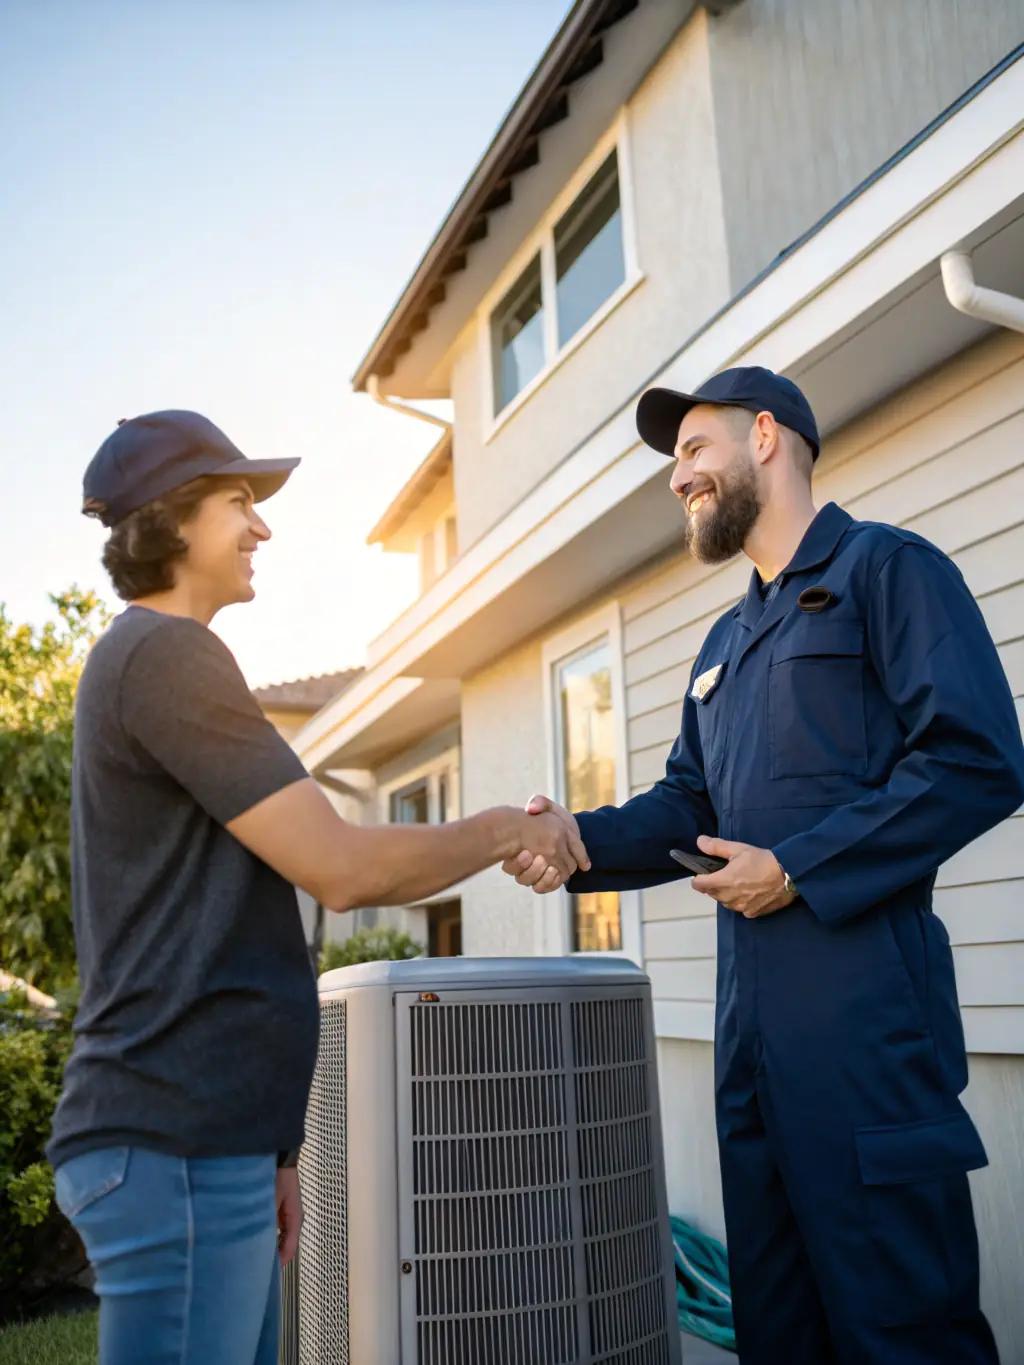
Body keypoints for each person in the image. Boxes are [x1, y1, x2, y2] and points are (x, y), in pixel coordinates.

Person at [504, 367, 1024, 1364]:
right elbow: (686, 810)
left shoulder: (889, 572)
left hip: (867, 1035)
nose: (677, 477)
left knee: (900, 1332)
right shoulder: (723, 641)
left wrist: (796, 867)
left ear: (768, 439)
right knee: (781, 1333)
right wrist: (571, 839)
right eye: (673, 460)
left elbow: (976, 759)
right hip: (748, 1050)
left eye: (695, 448)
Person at [49, 410, 588, 1365]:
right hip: (173, 1139)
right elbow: (341, 868)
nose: (262, 528)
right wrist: (508, 825)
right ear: (172, 519)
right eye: (238, 502)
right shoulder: (166, 655)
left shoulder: (158, 661)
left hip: (214, 1144)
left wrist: (275, 1150)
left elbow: (223, 927)